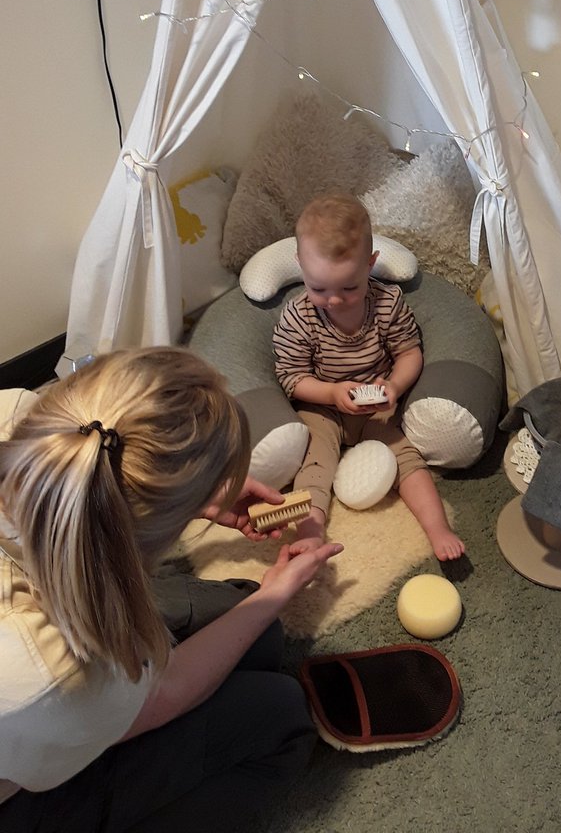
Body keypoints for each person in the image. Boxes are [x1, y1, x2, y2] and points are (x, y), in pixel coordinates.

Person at [0, 346, 343, 832]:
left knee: (253, 628)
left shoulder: (15, 413)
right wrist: (275, 594)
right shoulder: (48, 674)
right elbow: (163, 694)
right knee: (279, 716)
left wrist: (191, 500)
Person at [268, 192, 464, 561]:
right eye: (319, 288)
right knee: (314, 465)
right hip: (321, 407)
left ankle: (438, 527)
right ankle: (311, 533)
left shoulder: (387, 303)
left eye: (349, 287)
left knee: (406, 457)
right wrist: (331, 393)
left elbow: (409, 353)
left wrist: (394, 386)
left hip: (376, 404)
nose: (334, 300)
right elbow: (292, 378)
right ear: (300, 267)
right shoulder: (298, 316)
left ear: (371, 264)